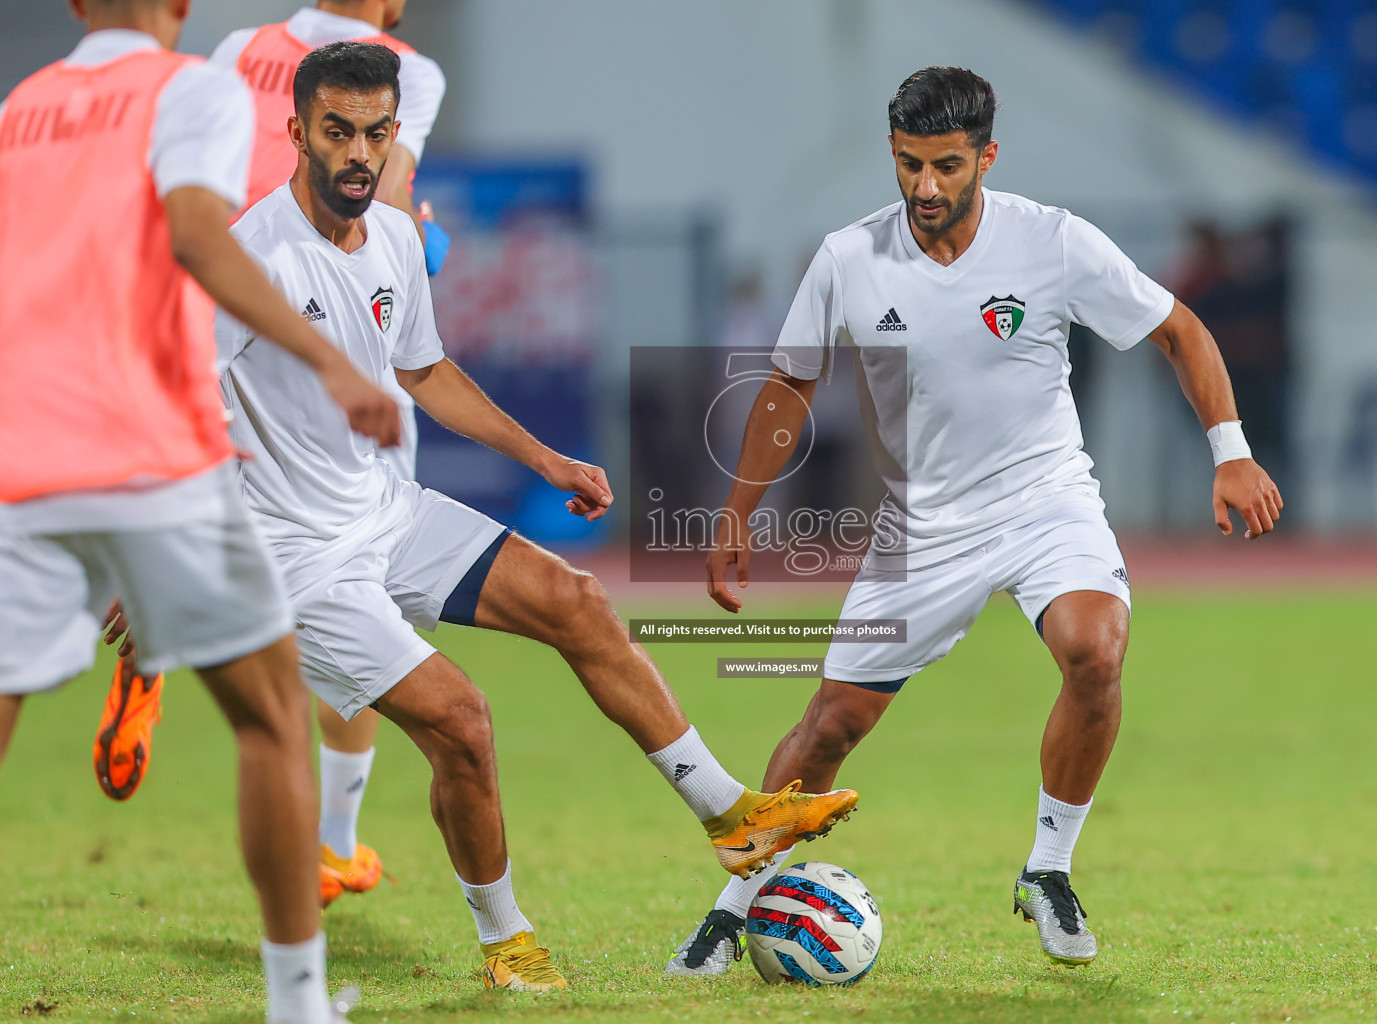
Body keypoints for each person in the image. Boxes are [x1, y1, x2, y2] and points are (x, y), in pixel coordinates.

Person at [217, 41, 858, 991]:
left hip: (386, 512)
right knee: (463, 724)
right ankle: (505, 938)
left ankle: (731, 816)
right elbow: (173, 397)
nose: (358, 152)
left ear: (394, 137)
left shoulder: (392, 239)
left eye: (375, 134)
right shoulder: (249, 258)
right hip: (299, 560)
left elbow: (424, 372)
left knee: (577, 600)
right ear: (298, 133)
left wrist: (545, 457)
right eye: (337, 132)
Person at [667, 66, 1283, 975]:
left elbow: (1179, 329)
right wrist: (735, 518)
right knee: (831, 726)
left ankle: (1049, 867)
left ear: (986, 156)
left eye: (948, 166)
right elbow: (791, 383)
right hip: (922, 526)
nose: (926, 187)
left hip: (1046, 498)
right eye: (910, 164)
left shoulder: (1053, 243)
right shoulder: (847, 258)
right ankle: (735, 905)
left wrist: (1230, 448)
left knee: (1095, 650)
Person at [0, 1, 401, 1020]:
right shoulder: (196, 91)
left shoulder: (23, 105)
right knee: (272, 717)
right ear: (179, 6)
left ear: (74, 5)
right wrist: (328, 363)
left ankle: (142, 645)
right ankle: (299, 1002)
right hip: (150, 453)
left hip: (23, 457)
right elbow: (194, 235)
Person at [94, 0, 449, 919]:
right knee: (357, 590)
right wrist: (424, 243)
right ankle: (331, 844)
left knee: (241, 532)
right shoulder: (407, 68)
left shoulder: (238, 47)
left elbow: (191, 188)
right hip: (318, 318)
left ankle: (161, 626)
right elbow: (383, 199)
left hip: (214, 315)